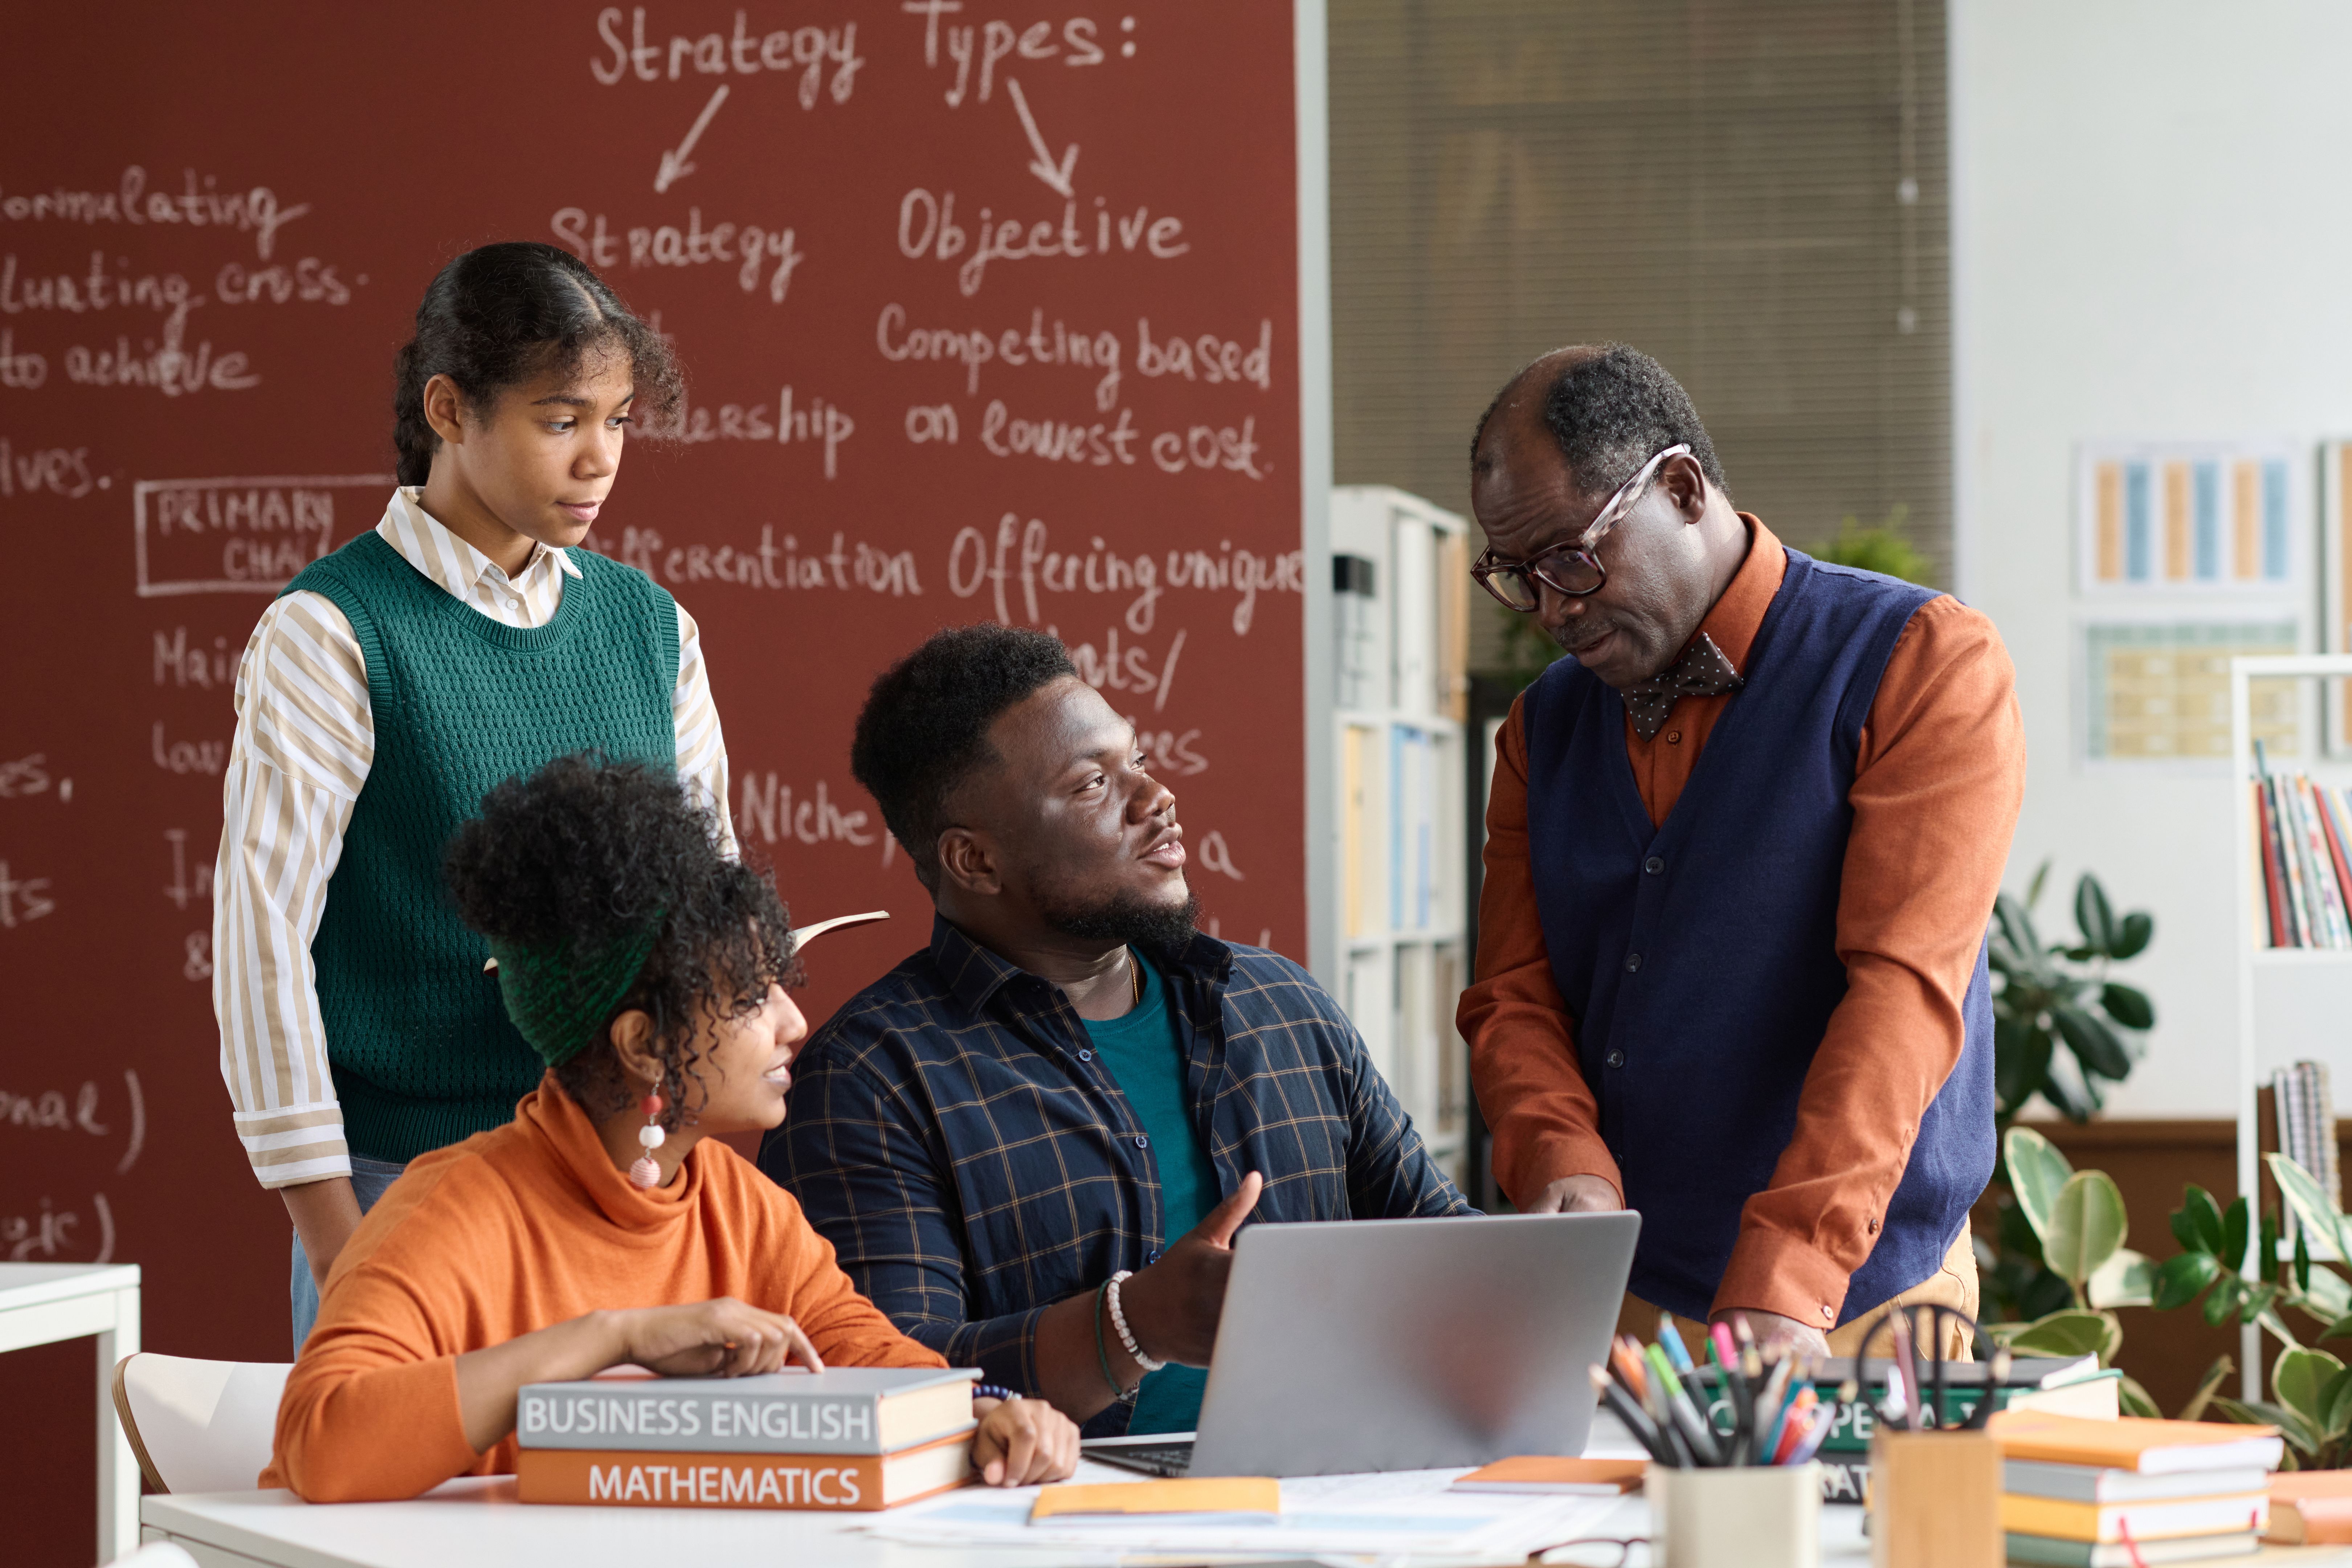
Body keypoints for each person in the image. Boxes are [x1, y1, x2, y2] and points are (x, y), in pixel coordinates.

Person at [262, 755, 1077, 1502]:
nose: (796, 1022)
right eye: (754, 999)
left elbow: (872, 1359)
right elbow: (320, 1446)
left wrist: (991, 1413)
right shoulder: (448, 1212)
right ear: (644, 1047)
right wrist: (613, 1338)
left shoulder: (745, 1209)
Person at [211, 241, 740, 1350]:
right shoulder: (334, 634)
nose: (600, 458)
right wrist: (333, 1238)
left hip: (617, 1191)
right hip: (406, 1189)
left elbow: (707, 908)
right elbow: (262, 945)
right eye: (561, 421)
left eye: (620, 420)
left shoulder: (653, 631)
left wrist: (672, 1168)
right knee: (398, 1515)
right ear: (449, 409)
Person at [761, 625, 1473, 1439]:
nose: (1155, 797)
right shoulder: (869, 1079)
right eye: (1093, 784)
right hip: (1055, 1526)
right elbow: (882, 1379)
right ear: (975, 862)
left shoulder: (1279, 1004)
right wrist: (1134, 1325)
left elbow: (1440, 1243)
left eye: (1137, 759)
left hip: (1346, 1492)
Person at [1458, 345, 2025, 1361]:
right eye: (1519, 577)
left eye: (1574, 560)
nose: (1551, 610)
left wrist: (1791, 1273)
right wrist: (1563, 1162)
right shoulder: (1539, 730)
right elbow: (1514, 994)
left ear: (1680, 488)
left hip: (1859, 1302)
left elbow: (1902, 992)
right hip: (1625, 1297)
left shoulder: (1925, 662)